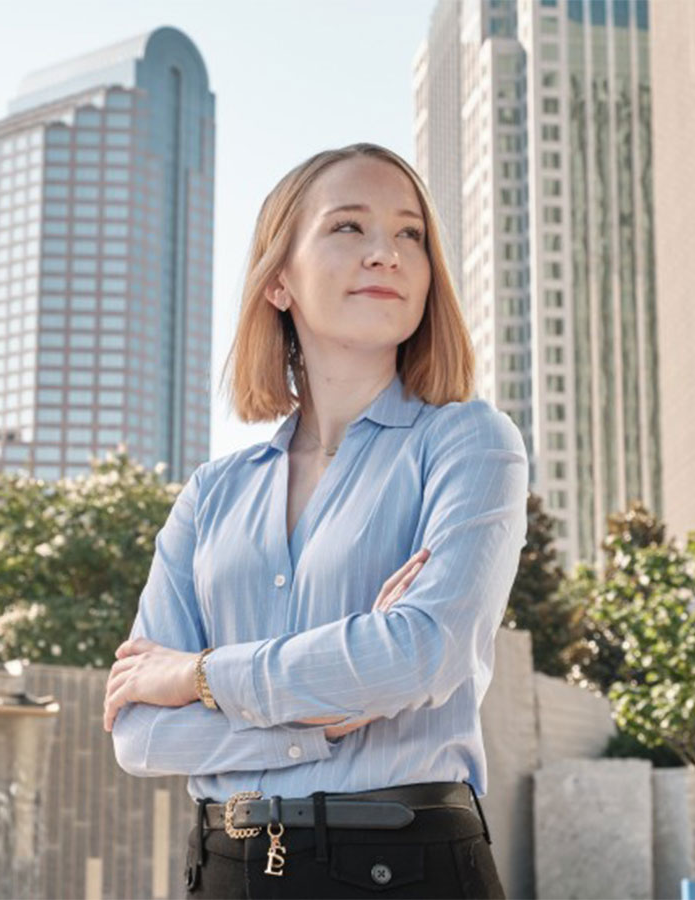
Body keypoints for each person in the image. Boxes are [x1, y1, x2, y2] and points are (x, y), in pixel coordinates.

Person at [103, 142, 527, 899]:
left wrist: (196, 675)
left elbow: (423, 656)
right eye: (349, 228)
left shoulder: (468, 442)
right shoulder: (211, 495)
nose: (386, 254)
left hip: (407, 867)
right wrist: (323, 718)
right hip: (228, 869)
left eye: (410, 235)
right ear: (277, 282)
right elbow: (140, 732)